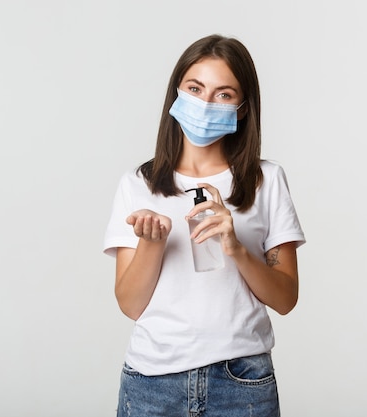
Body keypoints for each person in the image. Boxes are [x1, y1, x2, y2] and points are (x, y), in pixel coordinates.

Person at [103, 34, 305, 417]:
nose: (205, 103)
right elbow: (130, 305)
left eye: (224, 94)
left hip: (243, 381)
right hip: (152, 383)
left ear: (243, 108)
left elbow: (285, 299)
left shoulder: (267, 181)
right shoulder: (137, 184)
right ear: (176, 92)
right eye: (195, 88)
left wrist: (236, 247)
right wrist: (152, 242)